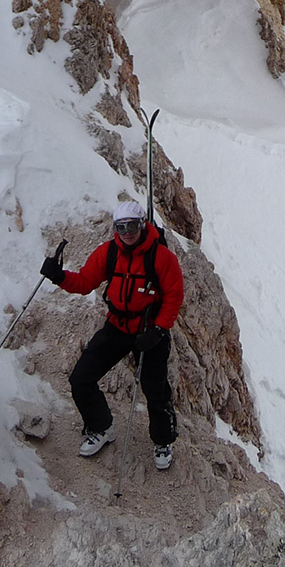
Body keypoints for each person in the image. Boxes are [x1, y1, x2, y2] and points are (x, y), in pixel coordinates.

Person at [40, 201, 183, 470]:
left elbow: (174, 297)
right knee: (81, 378)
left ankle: (163, 441)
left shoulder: (162, 258)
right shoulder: (108, 253)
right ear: (115, 228)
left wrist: (159, 330)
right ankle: (101, 427)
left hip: (149, 332)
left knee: (155, 390)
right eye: (120, 227)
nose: (126, 232)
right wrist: (59, 277)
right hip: (117, 326)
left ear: (142, 225)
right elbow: (84, 282)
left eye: (131, 225)